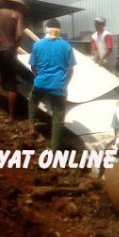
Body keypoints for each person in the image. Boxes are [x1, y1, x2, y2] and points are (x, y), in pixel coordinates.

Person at [27, 18, 76, 151]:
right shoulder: (66, 46)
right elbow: (71, 69)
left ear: (46, 29)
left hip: (40, 83)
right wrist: (64, 83)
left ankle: (31, 126)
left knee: (32, 101)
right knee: (58, 118)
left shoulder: (37, 45)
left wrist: (39, 77)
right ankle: (54, 149)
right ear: (58, 30)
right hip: (58, 87)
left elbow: (33, 66)